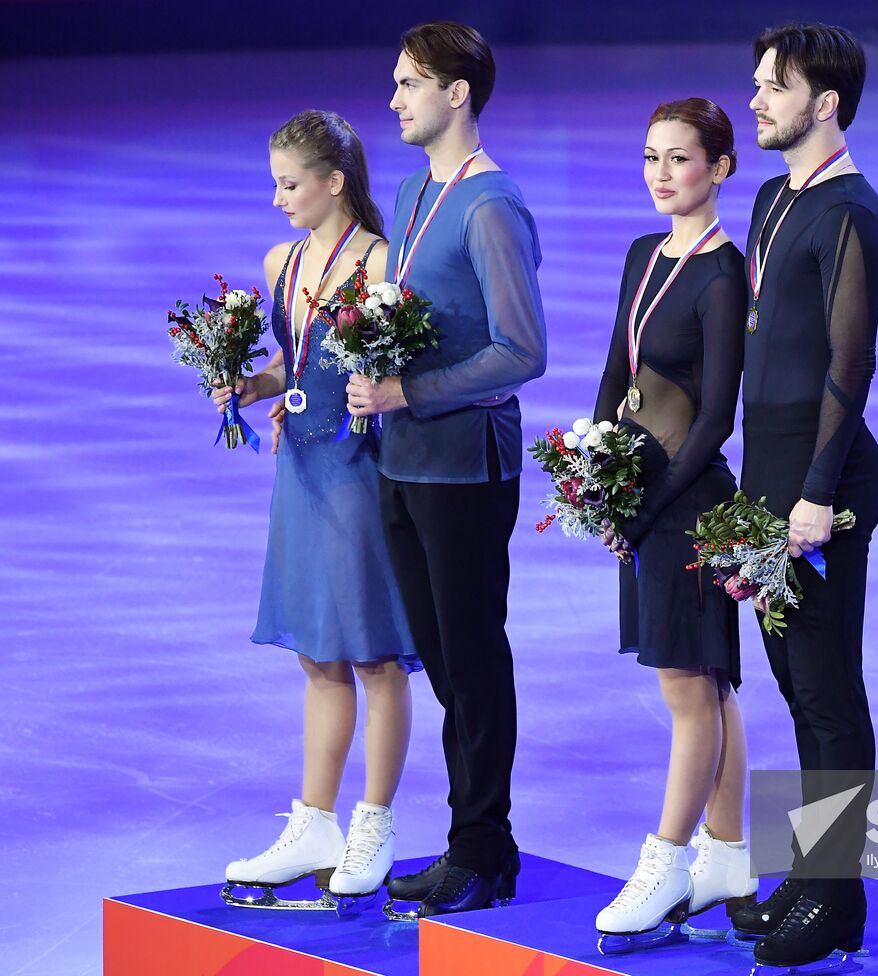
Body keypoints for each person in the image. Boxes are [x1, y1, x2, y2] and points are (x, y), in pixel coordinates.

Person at [346, 21, 547, 917]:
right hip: (407, 463)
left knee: (471, 661)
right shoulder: (412, 187)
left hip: (465, 466)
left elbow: (522, 350)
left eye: (409, 84)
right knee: (441, 660)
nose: (394, 100)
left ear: (456, 93)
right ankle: (470, 838)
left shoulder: (490, 204)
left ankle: (485, 849)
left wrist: (407, 391)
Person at [216, 110, 417, 908]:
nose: (278, 200)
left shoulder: (383, 264)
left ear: (334, 182)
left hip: (361, 471)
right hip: (298, 468)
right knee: (317, 656)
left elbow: (401, 362)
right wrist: (254, 385)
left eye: (289, 184)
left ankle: (375, 821)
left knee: (374, 654)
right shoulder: (282, 260)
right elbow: (292, 360)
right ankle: (315, 822)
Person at [729, 22, 878, 969]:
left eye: (773, 88)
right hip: (772, 478)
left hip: (821, 487)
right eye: (755, 84)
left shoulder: (850, 212)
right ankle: (817, 872)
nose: (755, 100)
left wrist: (815, 495)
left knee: (828, 696)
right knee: (796, 687)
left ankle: (837, 901)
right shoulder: (769, 198)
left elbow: (849, 358)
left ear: (824, 105)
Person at [588, 98, 756, 950]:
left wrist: (647, 504)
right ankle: (727, 857)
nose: (662, 174)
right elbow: (614, 373)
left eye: (680, 159)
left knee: (691, 689)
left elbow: (715, 417)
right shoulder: (640, 255)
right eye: (651, 157)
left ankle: (667, 859)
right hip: (640, 495)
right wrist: (592, 479)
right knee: (705, 683)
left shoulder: (724, 273)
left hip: (689, 500)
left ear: (719, 167)